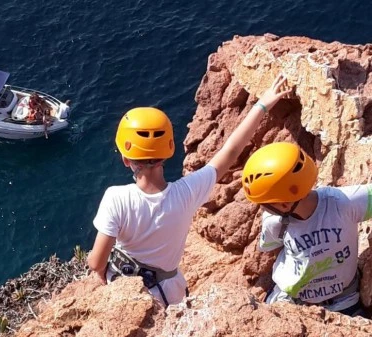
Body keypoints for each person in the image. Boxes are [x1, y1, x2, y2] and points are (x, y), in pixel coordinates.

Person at [87, 74, 291, 306]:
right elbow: (231, 151)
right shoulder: (187, 193)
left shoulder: (116, 198)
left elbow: (96, 263)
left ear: (126, 159)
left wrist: (101, 272)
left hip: (129, 294)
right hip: (170, 292)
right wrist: (263, 104)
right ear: (168, 150)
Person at [241, 141, 372, 316]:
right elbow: (276, 251)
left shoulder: (343, 203)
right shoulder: (275, 221)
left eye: (264, 204)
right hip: (291, 300)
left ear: (284, 205)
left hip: (342, 300)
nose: (262, 209)